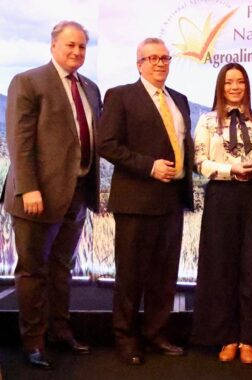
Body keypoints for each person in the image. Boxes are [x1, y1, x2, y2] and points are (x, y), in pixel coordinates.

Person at [2, 20, 101, 370]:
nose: (76, 52)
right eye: (70, 45)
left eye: (82, 47)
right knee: (32, 271)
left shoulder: (90, 88)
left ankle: (60, 330)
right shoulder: (28, 82)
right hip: (36, 196)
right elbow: (20, 140)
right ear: (53, 45)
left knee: (62, 267)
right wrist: (29, 187)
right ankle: (33, 342)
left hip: (75, 193)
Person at [97, 37, 194, 365]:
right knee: (131, 276)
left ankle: (155, 333)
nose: (160, 63)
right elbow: (106, 144)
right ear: (139, 64)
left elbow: (184, 148)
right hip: (136, 203)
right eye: (152, 58)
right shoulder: (121, 96)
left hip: (171, 202)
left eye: (165, 58)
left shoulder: (179, 99)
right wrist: (148, 166)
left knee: (164, 276)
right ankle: (125, 338)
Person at [191, 62, 252, 364]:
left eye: (240, 82)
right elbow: (199, 162)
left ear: (247, 86)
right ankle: (227, 337)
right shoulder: (207, 121)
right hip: (222, 195)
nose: (234, 87)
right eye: (228, 83)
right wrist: (229, 169)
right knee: (222, 267)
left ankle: (251, 337)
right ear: (220, 88)